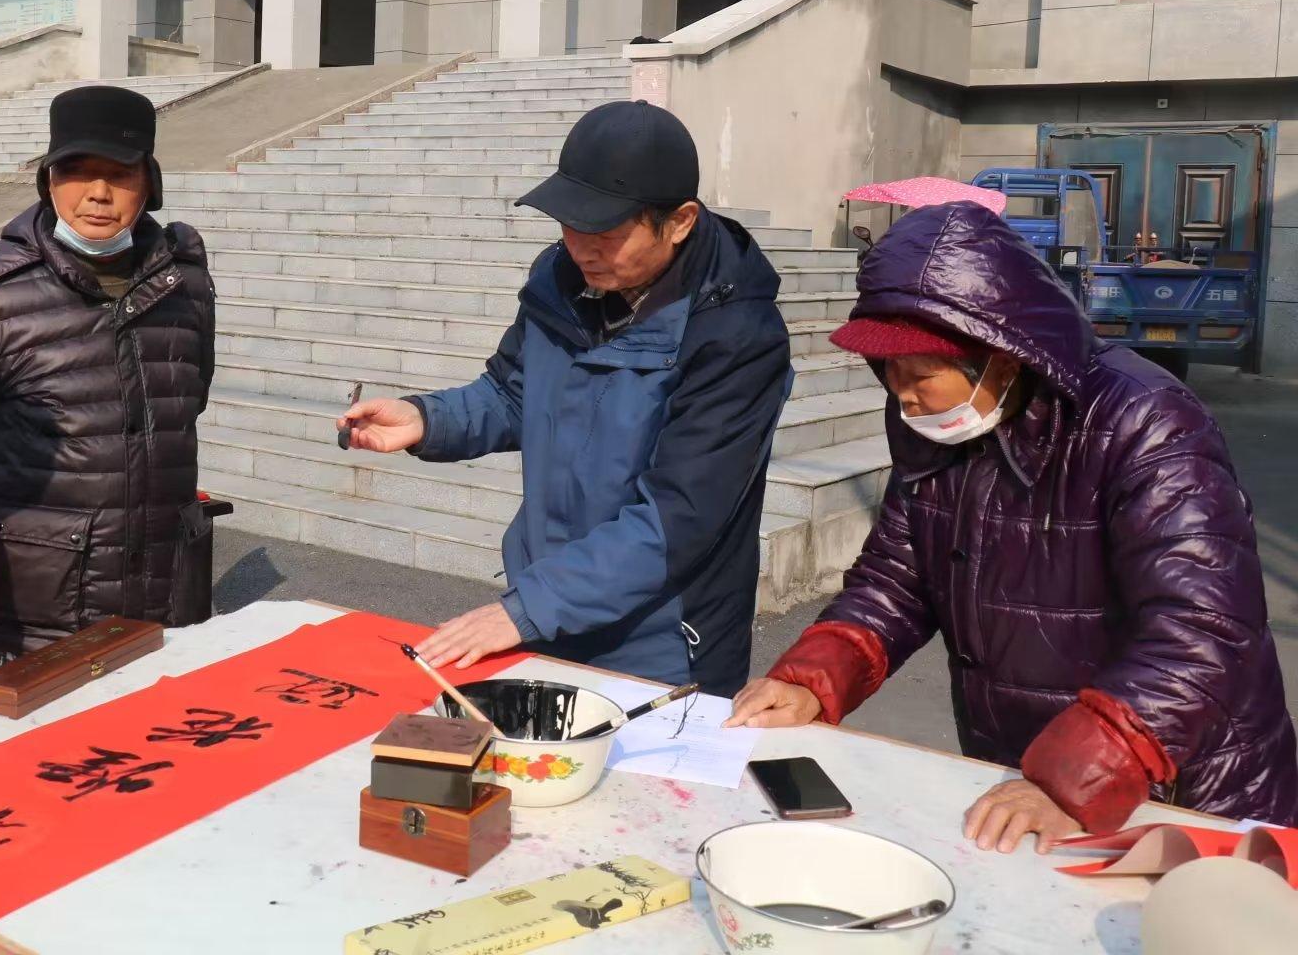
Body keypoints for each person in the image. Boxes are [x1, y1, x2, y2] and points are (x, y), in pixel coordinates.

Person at [728, 203, 1298, 849]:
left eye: (919, 375)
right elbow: (898, 578)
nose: (901, 394)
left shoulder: (1147, 423)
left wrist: (1072, 779)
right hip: (1027, 775)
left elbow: (1202, 631)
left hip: (1177, 791)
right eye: (889, 373)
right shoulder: (935, 425)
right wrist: (810, 679)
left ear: (1001, 360)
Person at [341, 101, 793, 694]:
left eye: (605, 232)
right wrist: (427, 419)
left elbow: (676, 519)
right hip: (547, 603)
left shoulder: (736, 335)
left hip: (659, 640)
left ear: (679, 221)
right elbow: (511, 393)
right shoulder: (560, 279)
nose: (580, 248)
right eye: (569, 223)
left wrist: (524, 608)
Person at [0, 85, 216, 671]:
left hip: (164, 592)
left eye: (120, 174)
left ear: (149, 184)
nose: (99, 194)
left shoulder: (186, 285)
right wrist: (35, 529)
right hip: (38, 611)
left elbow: (188, 398)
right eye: (77, 171)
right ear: (48, 181)